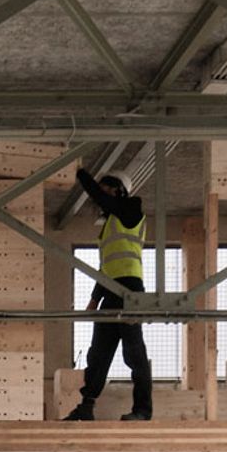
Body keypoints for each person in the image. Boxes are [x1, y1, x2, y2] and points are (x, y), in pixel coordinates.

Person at [63, 166, 152, 422]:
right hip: (111, 291)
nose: (102, 196)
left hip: (130, 292)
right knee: (99, 353)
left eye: (106, 189)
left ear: (119, 190)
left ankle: (143, 410)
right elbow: (106, 268)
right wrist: (94, 300)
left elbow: (100, 198)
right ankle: (86, 406)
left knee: (134, 353)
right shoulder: (111, 223)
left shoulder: (132, 210)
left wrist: (80, 173)